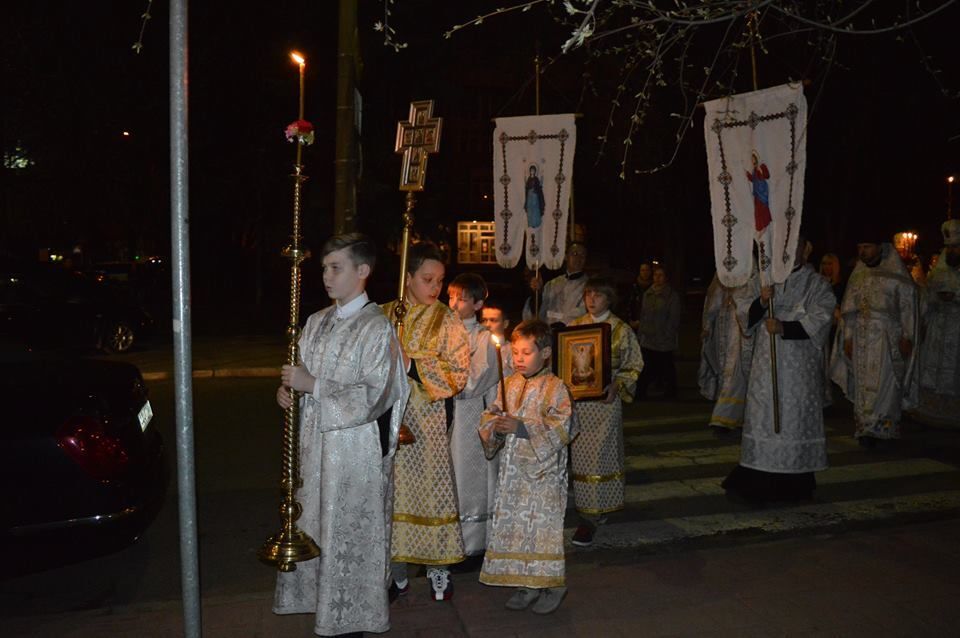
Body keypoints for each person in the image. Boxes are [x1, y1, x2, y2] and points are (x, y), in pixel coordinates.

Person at [273, 233, 410, 637]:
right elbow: (301, 377)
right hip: (315, 448)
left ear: (362, 271)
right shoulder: (316, 322)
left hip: (354, 453)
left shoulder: (377, 328)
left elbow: (378, 394)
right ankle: (323, 606)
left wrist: (312, 385)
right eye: (323, 268)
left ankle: (351, 620)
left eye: (336, 268)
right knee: (315, 524)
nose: (326, 277)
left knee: (348, 532)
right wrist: (290, 393)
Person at [382, 241, 470, 601]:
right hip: (387, 420)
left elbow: (458, 372)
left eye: (439, 280)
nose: (435, 288)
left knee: (431, 492)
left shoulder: (446, 319)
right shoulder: (384, 314)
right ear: (407, 278)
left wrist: (412, 365)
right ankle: (395, 573)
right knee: (392, 496)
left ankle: (438, 570)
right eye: (427, 279)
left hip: (427, 420)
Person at [722, 233, 836, 503]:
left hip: (799, 370)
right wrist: (761, 302)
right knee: (764, 421)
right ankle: (759, 478)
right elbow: (742, 310)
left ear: (805, 249)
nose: (786, 251)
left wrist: (786, 327)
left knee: (793, 422)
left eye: (793, 245)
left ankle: (794, 483)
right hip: (766, 368)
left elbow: (823, 316)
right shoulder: (764, 280)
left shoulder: (816, 284)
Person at [477, 320, 577, 615]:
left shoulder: (556, 387)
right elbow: (490, 415)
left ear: (545, 353)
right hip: (513, 475)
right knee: (517, 531)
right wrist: (494, 426)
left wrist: (522, 427)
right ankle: (526, 584)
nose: (518, 359)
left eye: (526, 353)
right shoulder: (508, 384)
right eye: (515, 353)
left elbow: (566, 427)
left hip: (542, 477)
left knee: (543, 533)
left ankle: (553, 585)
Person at [568, 277, 643, 546]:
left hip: (605, 405)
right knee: (580, 460)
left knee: (600, 458)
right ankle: (589, 510)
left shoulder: (621, 330)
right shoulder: (574, 328)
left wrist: (618, 384)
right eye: (589, 294)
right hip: (579, 406)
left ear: (609, 298)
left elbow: (634, 363)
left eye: (598, 295)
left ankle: (590, 518)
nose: (592, 299)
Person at [830, 231, 919, 447]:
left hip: (887, 339)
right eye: (860, 247)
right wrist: (848, 339)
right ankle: (865, 429)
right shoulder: (858, 275)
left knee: (886, 385)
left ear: (881, 247)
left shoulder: (897, 276)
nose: (863, 252)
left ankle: (884, 431)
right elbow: (849, 312)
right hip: (860, 339)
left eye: (867, 247)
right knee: (863, 386)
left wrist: (908, 336)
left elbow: (908, 308)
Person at [446, 273, 501, 566]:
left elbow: (476, 380)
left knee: (470, 477)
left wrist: (442, 382)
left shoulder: (482, 338)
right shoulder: (443, 331)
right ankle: (449, 539)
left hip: (470, 416)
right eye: (451, 297)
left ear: (478, 304)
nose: (454, 304)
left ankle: (473, 544)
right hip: (445, 415)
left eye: (462, 299)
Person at [698, 273, 757, 433]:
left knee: (735, 372)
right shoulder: (723, 270)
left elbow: (753, 299)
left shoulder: (752, 270)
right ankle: (734, 415)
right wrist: (708, 324)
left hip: (741, 330)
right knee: (725, 370)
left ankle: (724, 417)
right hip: (723, 325)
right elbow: (713, 299)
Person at [914, 219, 960, 426]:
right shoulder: (939, 271)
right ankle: (934, 412)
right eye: (949, 247)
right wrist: (932, 295)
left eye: (956, 247)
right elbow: (927, 297)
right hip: (938, 325)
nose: (952, 251)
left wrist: (956, 296)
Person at [636, 264, 682, 399]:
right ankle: (641, 392)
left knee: (667, 367)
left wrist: (667, 334)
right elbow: (643, 315)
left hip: (663, 339)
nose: (657, 278)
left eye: (661, 275)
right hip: (648, 338)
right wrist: (641, 334)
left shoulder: (672, 296)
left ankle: (670, 392)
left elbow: (674, 318)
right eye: (656, 275)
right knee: (646, 366)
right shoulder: (648, 294)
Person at [533, 241, 588, 328]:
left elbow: (582, 310)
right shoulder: (552, 283)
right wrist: (538, 292)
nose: (578, 258)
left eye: (583, 255)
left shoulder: (588, 285)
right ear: (566, 257)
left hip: (570, 331)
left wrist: (561, 324)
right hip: (547, 330)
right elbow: (541, 309)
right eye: (575, 254)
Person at [627, 262, 654, 330]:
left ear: (650, 271)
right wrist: (630, 320)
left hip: (650, 324)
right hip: (634, 323)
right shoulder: (633, 286)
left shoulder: (654, 288)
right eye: (642, 270)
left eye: (647, 270)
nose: (645, 272)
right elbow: (628, 304)